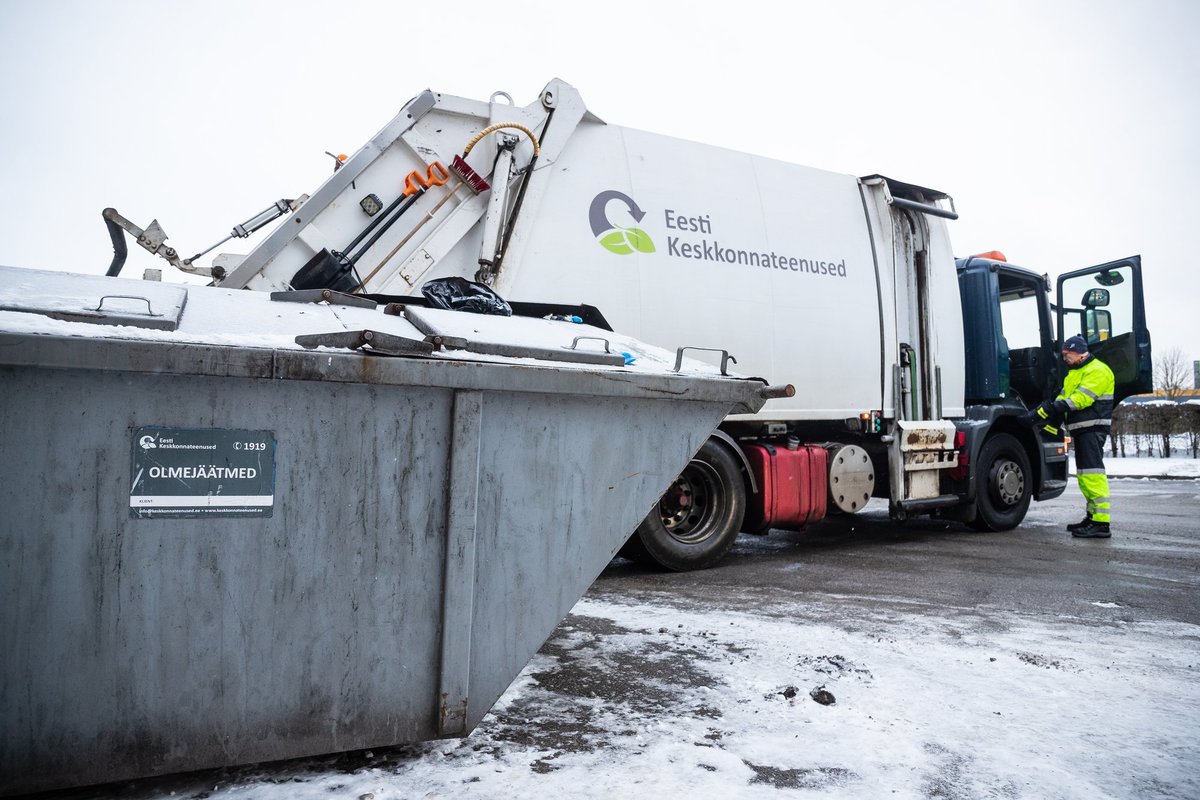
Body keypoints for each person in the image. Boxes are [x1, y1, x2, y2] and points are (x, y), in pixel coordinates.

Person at [1024, 335, 1115, 538]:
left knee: (1093, 475)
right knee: (1085, 476)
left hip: (1092, 429)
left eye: (1067, 354)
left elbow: (1080, 399)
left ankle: (1101, 524)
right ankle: (1093, 518)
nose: (1064, 358)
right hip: (1082, 430)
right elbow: (1063, 398)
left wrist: (1055, 407)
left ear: (1079, 354)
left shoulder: (1098, 370)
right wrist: (1047, 412)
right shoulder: (1074, 373)